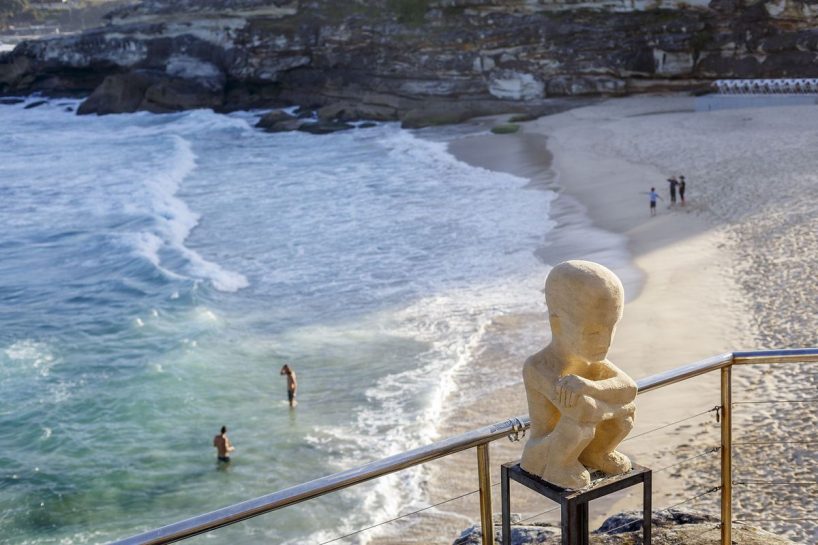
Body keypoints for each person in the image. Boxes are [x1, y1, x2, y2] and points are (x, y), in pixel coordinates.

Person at [520, 261, 637, 489]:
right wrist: (616, 403)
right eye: (593, 332)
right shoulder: (538, 366)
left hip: (583, 434)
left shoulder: (590, 360)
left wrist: (590, 387)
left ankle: (596, 453)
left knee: (625, 417)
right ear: (557, 324)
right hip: (544, 449)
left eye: (612, 327)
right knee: (579, 424)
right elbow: (583, 411)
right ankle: (558, 467)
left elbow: (630, 388)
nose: (606, 342)